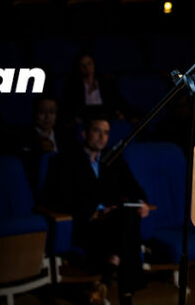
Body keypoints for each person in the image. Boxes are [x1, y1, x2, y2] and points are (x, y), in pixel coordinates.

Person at [42, 116, 150, 305]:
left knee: (127, 216)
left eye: (106, 132)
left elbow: (135, 188)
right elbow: (54, 199)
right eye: (97, 131)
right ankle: (125, 295)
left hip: (113, 224)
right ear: (84, 133)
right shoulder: (64, 160)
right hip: (86, 225)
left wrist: (142, 202)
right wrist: (93, 212)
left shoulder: (113, 158)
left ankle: (108, 278)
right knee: (128, 228)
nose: (102, 137)